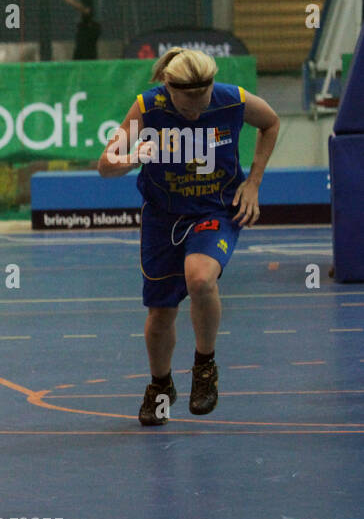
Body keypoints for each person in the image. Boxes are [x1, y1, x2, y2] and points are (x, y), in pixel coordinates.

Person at [97, 47, 280, 425]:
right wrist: (134, 157)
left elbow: (271, 123)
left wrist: (254, 183)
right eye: (186, 106)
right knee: (161, 313)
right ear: (168, 88)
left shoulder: (233, 100)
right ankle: (160, 385)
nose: (196, 112)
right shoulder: (147, 108)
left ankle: (204, 367)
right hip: (163, 219)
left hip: (214, 211)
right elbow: (105, 165)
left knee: (200, 279)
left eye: (203, 102)